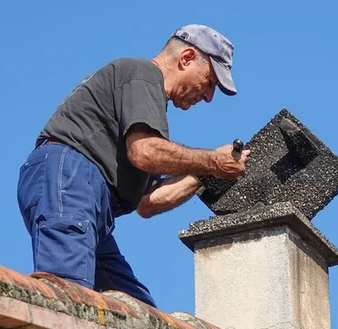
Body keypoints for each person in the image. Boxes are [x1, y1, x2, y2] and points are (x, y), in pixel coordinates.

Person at [16, 24, 249, 308]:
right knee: (70, 299)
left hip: (91, 203)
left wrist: (208, 174)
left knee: (140, 316)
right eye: (210, 81)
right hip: (69, 177)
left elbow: (148, 203)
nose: (209, 96)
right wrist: (213, 161)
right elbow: (144, 152)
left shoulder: (146, 109)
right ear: (187, 58)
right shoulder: (143, 75)